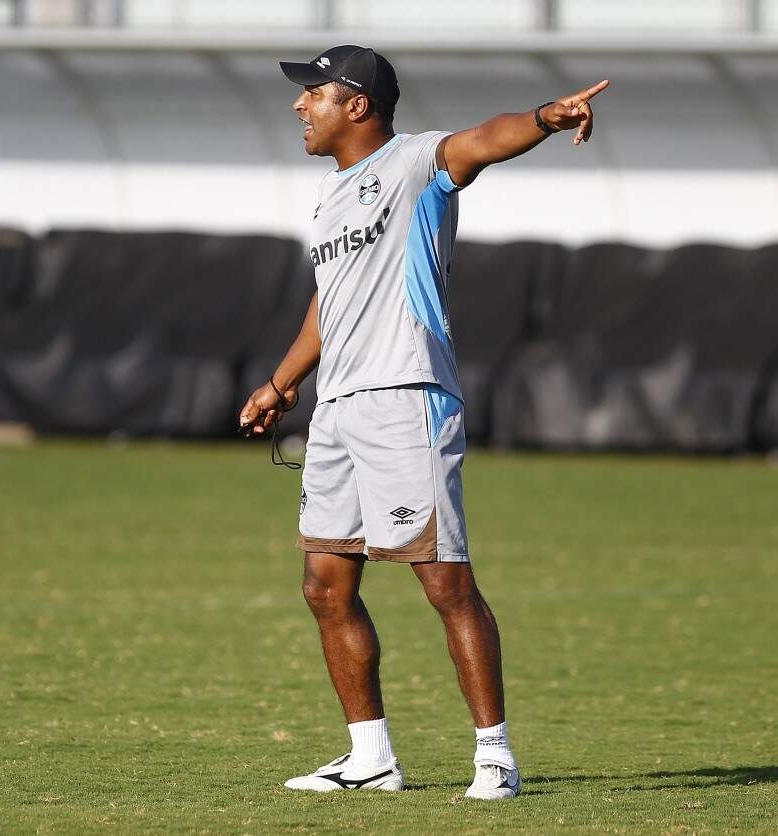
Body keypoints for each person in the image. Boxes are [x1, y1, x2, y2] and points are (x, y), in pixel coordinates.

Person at [237, 45, 608, 800]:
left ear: (358, 105)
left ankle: (495, 755)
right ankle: (370, 757)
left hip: (405, 396)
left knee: (444, 582)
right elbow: (328, 301)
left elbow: (483, 140)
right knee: (324, 584)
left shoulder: (414, 165)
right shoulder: (333, 196)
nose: (299, 105)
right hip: (338, 408)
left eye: (314, 92)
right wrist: (282, 383)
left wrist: (544, 117)